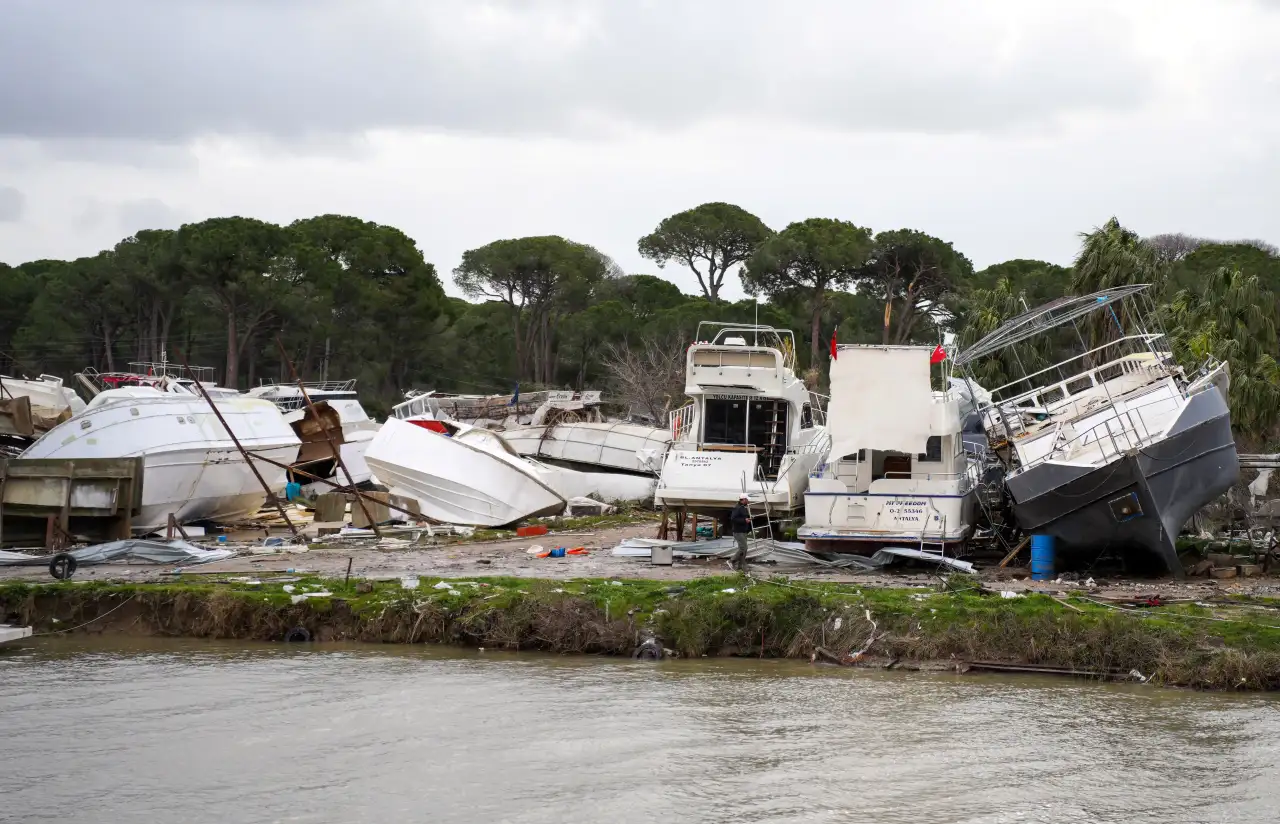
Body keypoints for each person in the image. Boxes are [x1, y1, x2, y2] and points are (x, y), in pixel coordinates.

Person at [729, 495, 752, 571]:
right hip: (738, 532)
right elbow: (733, 519)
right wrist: (744, 520)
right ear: (744, 499)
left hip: (743, 531)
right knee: (743, 548)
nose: (748, 501)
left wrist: (747, 519)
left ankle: (741, 565)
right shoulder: (737, 507)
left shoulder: (742, 507)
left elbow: (742, 518)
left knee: (743, 549)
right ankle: (731, 561)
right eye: (747, 500)